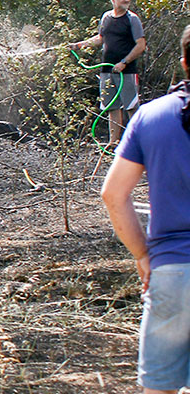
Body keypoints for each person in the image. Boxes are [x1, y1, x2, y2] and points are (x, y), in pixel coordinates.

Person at [102, 24, 190, 393]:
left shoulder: (150, 117)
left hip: (172, 271)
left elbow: (113, 194)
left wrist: (143, 254)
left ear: (185, 62)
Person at [71, 0, 147, 147]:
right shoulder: (106, 17)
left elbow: (141, 45)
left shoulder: (132, 19)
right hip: (107, 70)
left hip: (126, 71)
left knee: (131, 106)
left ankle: (141, 142)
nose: (126, 0)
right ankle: (114, 142)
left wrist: (124, 63)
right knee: (112, 107)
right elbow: (100, 39)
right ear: (113, 0)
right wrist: (78, 45)